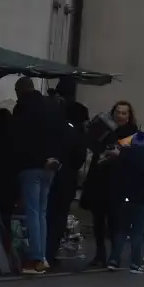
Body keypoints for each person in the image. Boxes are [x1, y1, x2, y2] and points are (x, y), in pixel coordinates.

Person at [8, 77, 63, 275]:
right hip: (51, 166)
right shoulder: (52, 107)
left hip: (31, 166)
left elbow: (20, 140)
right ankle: (43, 256)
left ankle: (36, 258)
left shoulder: (23, 109)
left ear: (19, 91)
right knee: (41, 212)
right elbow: (60, 134)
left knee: (32, 212)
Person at [81, 101, 138, 267]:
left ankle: (115, 254)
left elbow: (135, 157)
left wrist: (119, 155)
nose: (120, 116)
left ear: (129, 116)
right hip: (99, 177)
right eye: (118, 112)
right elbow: (93, 144)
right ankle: (100, 254)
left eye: (124, 113)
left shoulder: (132, 133)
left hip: (118, 180)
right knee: (98, 219)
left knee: (115, 220)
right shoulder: (105, 128)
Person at [46, 77, 90, 266]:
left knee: (46, 213)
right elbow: (80, 153)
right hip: (67, 175)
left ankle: (43, 251)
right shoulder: (77, 117)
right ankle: (50, 252)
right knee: (58, 215)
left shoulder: (50, 110)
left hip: (50, 170)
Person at [108, 130, 144, 273]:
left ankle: (113, 259)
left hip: (124, 198)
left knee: (121, 231)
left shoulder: (123, 156)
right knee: (137, 232)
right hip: (141, 199)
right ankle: (135, 264)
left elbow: (115, 177)